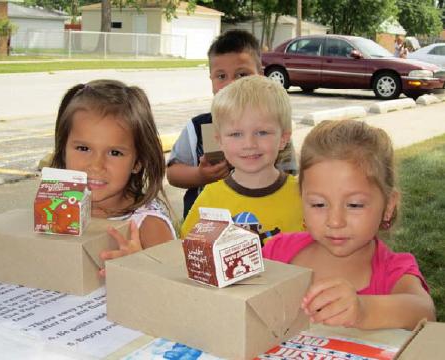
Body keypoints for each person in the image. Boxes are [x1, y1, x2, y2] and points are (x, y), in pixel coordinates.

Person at [263, 120, 435, 330]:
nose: (335, 221)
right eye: (318, 204)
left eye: (354, 205)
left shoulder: (394, 271)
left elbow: (425, 311)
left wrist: (364, 310)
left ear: (388, 205)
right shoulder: (277, 251)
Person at [167, 29, 298, 219]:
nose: (230, 84)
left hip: (267, 222)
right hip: (210, 223)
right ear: (211, 79)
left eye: (242, 74)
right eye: (221, 76)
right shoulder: (197, 127)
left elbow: (290, 178)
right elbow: (173, 173)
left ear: (260, 75)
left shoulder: (275, 128)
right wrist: (201, 176)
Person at [51, 79, 176, 274]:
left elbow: (175, 290)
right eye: (83, 148)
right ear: (63, 150)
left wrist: (139, 267)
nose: (96, 165)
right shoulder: (55, 207)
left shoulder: (148, 226)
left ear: (137, 162)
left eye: (115, 153)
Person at [180, 76, 303, 244]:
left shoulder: (303, 196)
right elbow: (189, 251)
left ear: (283, 138)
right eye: (236, 134)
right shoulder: (209, 200)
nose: (249, 144)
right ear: (219, 141)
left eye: (262, 132)